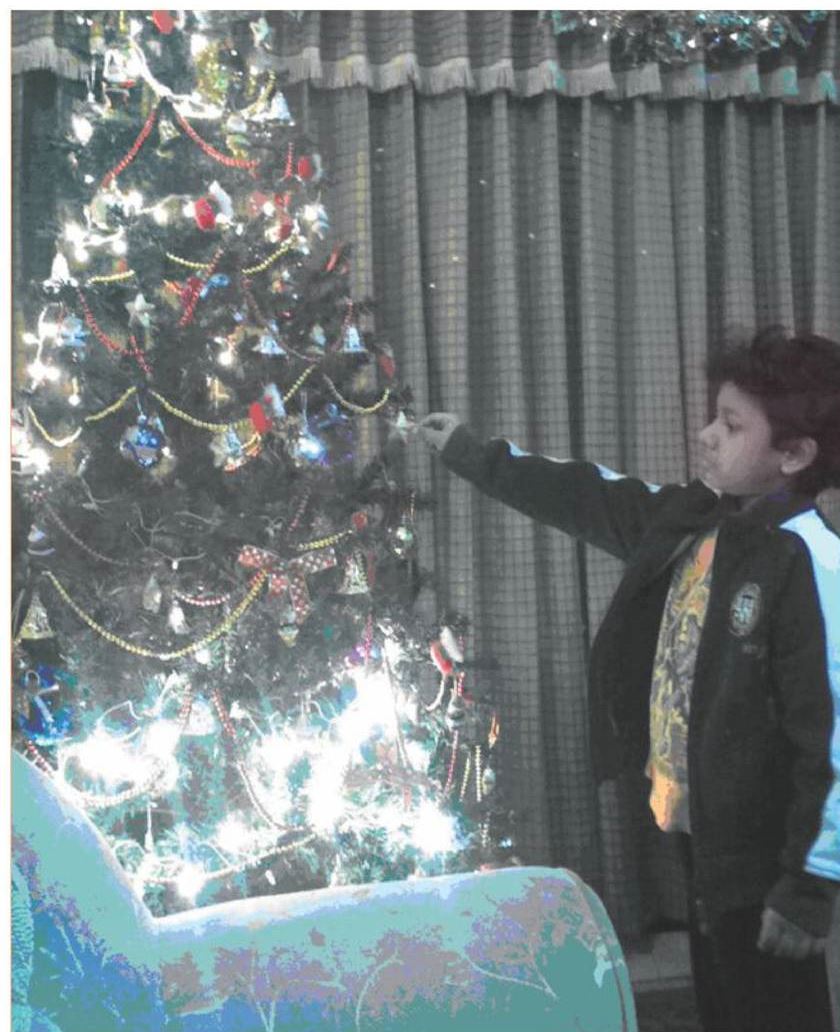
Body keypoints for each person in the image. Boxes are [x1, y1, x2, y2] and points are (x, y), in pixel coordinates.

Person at [418, 327, 840, 1032]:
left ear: (793, 455)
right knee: (725, 1002)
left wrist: (808, 886)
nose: (706, 435)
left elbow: (831, 740)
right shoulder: (692, 519)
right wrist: (471, 452)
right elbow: (586, 495)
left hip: (768, 857)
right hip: (699, 832)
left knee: (776, 1008)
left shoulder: (811, 560)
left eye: (731, 426)